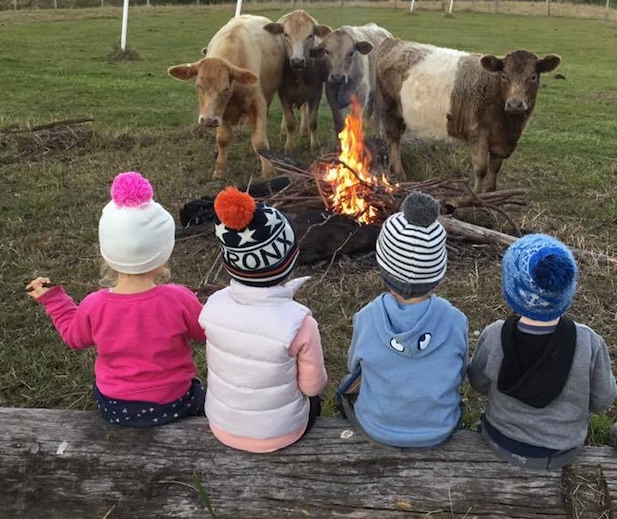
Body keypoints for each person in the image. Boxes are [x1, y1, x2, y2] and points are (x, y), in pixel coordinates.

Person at [26, 171, 206, 428]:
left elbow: (74, 338)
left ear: (107, 255)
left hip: (115, 407)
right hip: (175, 402)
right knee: (202, 396)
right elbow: (207, 331)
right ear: (163, 257)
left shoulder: (94, 305)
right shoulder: (179, 299)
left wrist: (54, 301)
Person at [468, 233, 617, 469]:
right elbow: (601, 401)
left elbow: (478, 383)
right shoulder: (589, 342)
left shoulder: (495, 335)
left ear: (511, 292)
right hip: (562, 451)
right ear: (567, 290)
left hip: (501, 442)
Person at [199, 186, 327, 452]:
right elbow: (313, 386)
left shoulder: (212, 308)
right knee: (315, 401)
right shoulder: (299, 323)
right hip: (282, 433)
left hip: (221, 425)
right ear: (290, 259)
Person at [338, 191, 468, 448]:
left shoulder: (366, 317)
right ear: (438, 274)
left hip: (376, 427)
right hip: (439, 429)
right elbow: (460, 371)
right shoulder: (455, 320)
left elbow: (355, 366)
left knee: (346, 387)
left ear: (383, 269)